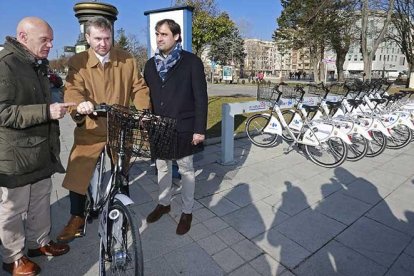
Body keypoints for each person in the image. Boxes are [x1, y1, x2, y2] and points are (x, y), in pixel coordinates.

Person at [56, 16, 150, 243]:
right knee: (78, 168)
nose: (103, 43)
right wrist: (80, 103)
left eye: (107, 38)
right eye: (97, 38)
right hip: (92, 126)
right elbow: (72, 88)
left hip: (120, 125)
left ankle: (123, 211)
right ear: (88, 38)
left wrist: (144, 111)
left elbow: (138, 87)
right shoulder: (78, 61)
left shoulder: (126, 59)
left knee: (122, 170)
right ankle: (76, 216)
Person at [0, 17, 73, 276]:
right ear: (23, 37)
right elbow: (3, 112)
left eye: (51, 39)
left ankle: (38, 243)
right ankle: (13, 258)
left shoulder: (36, 64)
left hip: (40, 149)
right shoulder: (6, 65)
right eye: (45, 39)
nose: (50, 45)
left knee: (41, 199)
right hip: (16, 155)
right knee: (12, 209)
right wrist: (46, 111)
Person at [143, 19, 208, 235]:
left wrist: (199, 129)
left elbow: (201, 98)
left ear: (177, 36)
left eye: (164, 34)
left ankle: (187, 211)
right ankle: (164, 203)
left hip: (184, 127)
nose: (159, 38)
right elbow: (148, 97)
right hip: (159, 128)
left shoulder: (191, 62)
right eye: (157, 34)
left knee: (186, 169)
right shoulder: (150, 65)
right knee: (161, 167)